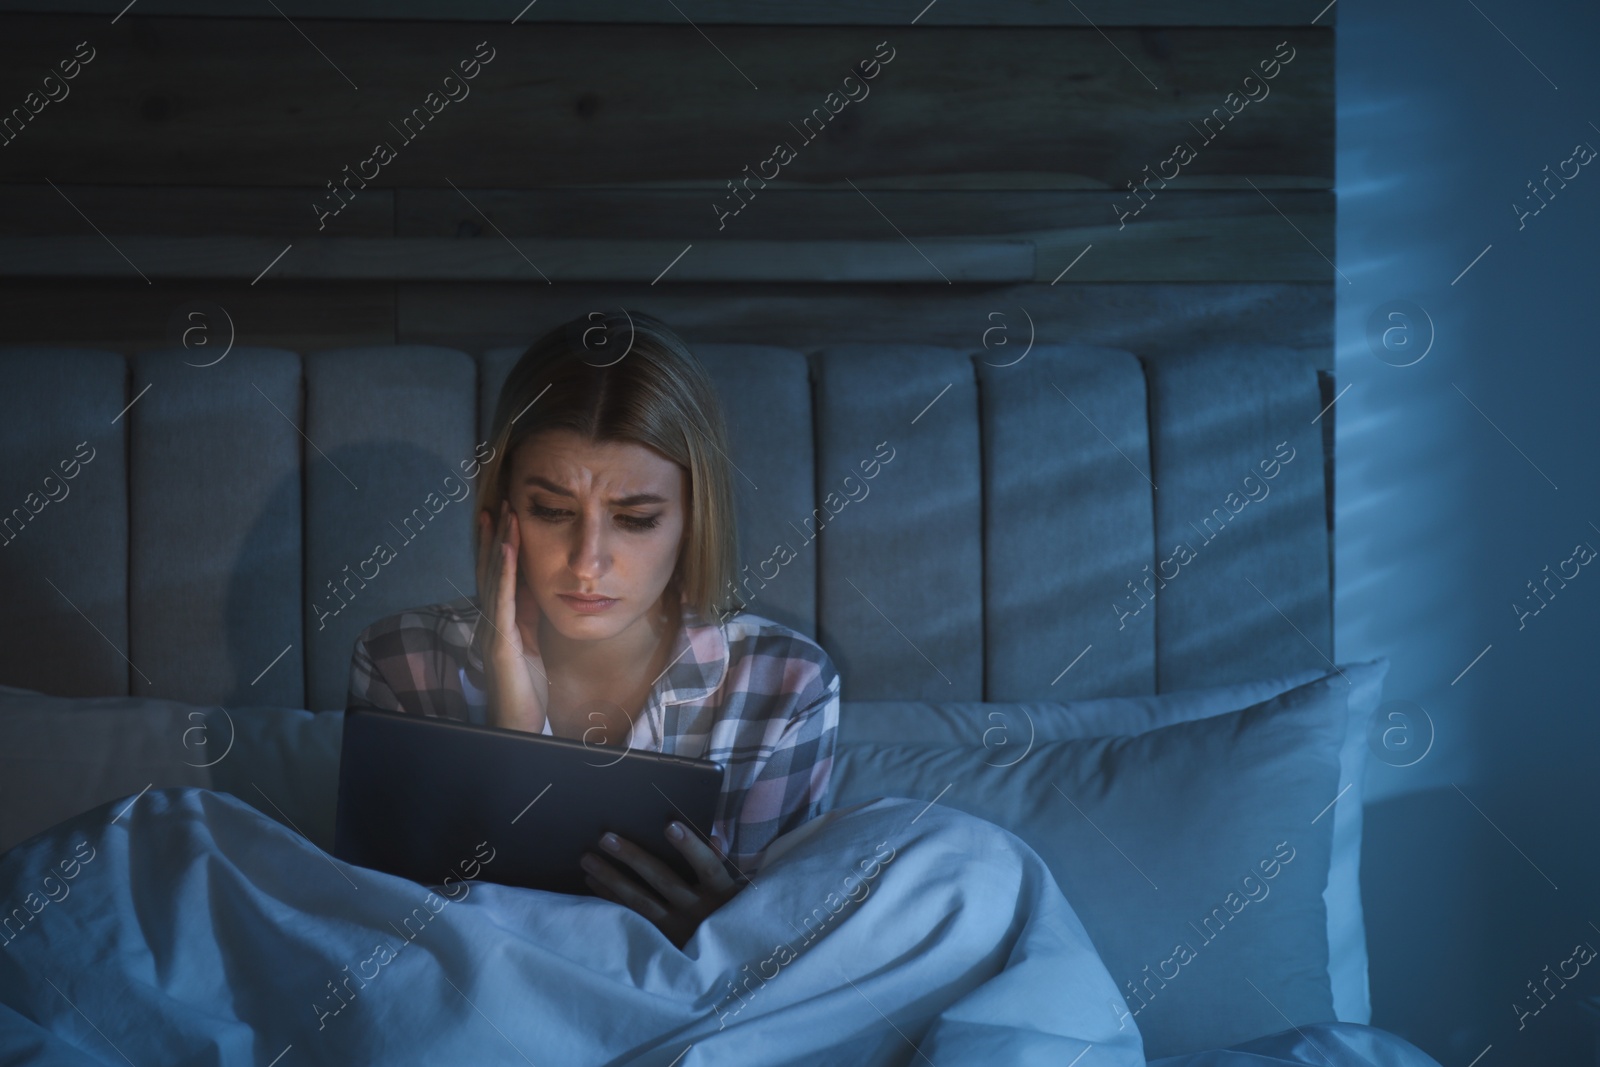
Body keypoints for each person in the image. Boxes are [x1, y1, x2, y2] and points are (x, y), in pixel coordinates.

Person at [345, 310, 840, 950]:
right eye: (552, 511)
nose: (587, 563)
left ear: (693, 521)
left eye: (635, 520)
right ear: (501, 513)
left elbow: (783, 965)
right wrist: (515, 737)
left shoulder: (786, 685)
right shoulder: (400, 662)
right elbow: (383, 931)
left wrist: (728, 934)